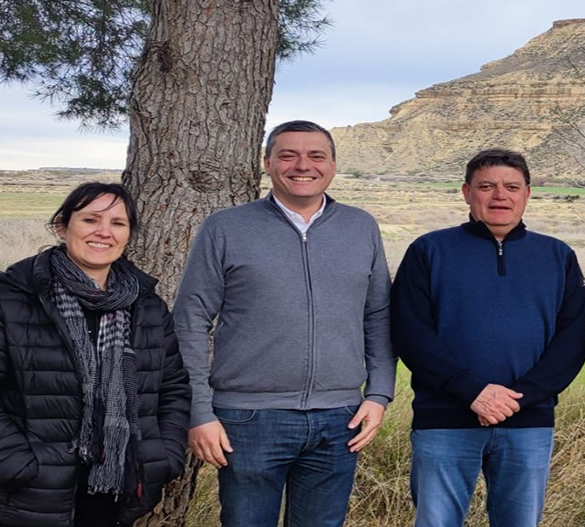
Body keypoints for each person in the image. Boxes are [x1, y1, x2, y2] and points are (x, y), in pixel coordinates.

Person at [174, 120, 396, 527]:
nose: (302, 165)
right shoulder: (225, 227)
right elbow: (189, 320)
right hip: (248, 420)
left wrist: (379, 394)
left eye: (316, 156)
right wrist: (199, 412)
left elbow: (378, 314)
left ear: (332, 165)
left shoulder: (360, 226)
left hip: (340, 416)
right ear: (267, 162)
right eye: (288, 155)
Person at [390, 148, 585, 527]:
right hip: (444, 421)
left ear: (527, 193)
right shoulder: (429, 250)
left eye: (512, 186)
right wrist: (473, 392)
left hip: (528, 422)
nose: (500, 195)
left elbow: (572, 340)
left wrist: (519, 398)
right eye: (487, 186)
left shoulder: (557, 255)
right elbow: (411, 333)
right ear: (467, 193)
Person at [0, 182, 191, 527]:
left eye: (118, 223)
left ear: (128, 234)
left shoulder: (146, 306)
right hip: (30, 488)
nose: (104, 232)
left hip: (116, 486)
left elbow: (174, 387)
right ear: (62, 225)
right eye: (91, 220)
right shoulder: (13, 297)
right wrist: (16, 463)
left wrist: (163, 457)